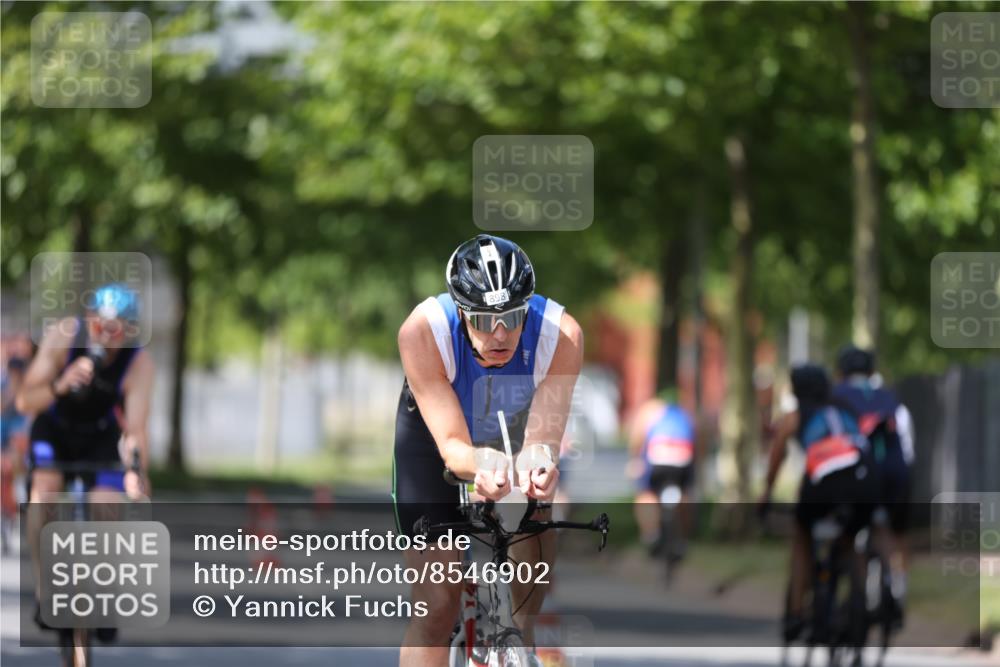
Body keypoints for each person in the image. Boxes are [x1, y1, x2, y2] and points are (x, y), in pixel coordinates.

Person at [394, 234, 583, 667]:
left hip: (516, 427)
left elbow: (541, 441)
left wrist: (537, 468)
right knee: (437, 608)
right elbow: (453, 448)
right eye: (482, 320)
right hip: (437, 437)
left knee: (527, 580)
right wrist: (482, 463)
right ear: (461, 312)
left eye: (513, 317)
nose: (500, 334)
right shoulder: (423, 332)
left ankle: (516, 643)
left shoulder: (562, 334)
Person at [16, 283, 154, 639]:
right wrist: (60, 384)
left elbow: (136, 427)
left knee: (107, 507)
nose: (105, 336)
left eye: (115, 329)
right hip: (56, 427)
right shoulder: (63, 336)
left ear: (130, 331)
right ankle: (47, 589)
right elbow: (25, 402)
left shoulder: (138, 363)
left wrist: (137, 471)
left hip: (98, 434)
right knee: (44, 492)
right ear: (87, 320)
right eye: (97, 326)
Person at [760, 364, 877, 642]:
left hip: (822, 486)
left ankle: (797, 613)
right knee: (853, 539)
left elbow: (777, 456)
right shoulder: (848, 410)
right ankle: (860, 605)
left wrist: (766, 494)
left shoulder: (795, 416)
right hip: (862, 482)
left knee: (801, 537)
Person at [834, 345, 913, 623]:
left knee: (849, 527)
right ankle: (898, 586)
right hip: (896, 473)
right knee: (893, 530)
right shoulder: (891, 398)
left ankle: (856, 591)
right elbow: (907, 445)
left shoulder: (836, 396)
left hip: (857, 474)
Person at [627, 389, 696, 557]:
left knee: (647, 494)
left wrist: (635, 459)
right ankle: (683, 539)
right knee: (685, 493)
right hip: (683, 458)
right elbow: (698, 439)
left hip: (657, 458)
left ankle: (651, 534)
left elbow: (637, 438)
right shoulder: (686, 412)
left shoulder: (649, 410)